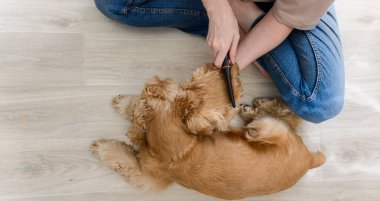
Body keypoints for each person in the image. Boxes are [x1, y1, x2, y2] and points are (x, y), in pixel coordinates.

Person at [94, 0, 344, 123]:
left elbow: (284, 19)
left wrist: (230, 67)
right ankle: (227, 23)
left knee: (320, 103)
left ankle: (240, 18)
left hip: (287, 8)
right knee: (114, 3)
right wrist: (217, 9)